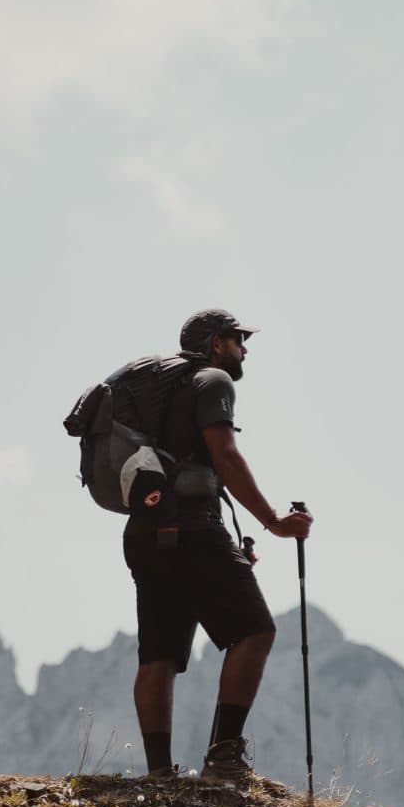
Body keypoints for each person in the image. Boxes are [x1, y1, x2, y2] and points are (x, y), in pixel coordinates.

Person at [123, 308, 313, 781]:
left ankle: (159, 773)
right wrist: (272, 521)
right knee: (254, 632)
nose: (244, 347)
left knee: (159, 655)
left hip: (145, 533)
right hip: (193, 528)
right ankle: (224, 758)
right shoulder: (212, 382)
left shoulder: (159, 394)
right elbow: (225, 456)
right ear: (213, 344)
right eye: (236, 338)